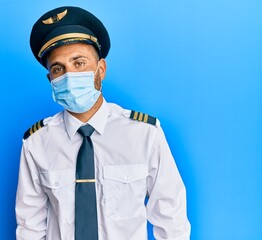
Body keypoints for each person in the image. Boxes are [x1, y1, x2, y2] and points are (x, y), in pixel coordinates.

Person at [16, 6, 191, 240]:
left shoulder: (145, 134)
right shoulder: (36, 143)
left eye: (79, 64)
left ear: (101, 69)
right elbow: (30, 227)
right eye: (59, 69)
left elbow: (172, 219)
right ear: (51, 80)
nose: (69, 76)